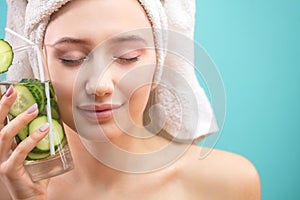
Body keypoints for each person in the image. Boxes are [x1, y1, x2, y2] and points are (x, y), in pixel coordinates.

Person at [0, 0, 261, 199]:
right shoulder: (8, 187)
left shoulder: (227, 182)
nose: (100, 85)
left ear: (159, 59)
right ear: (38, 64)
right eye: (72, 58)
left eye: (127, 56)